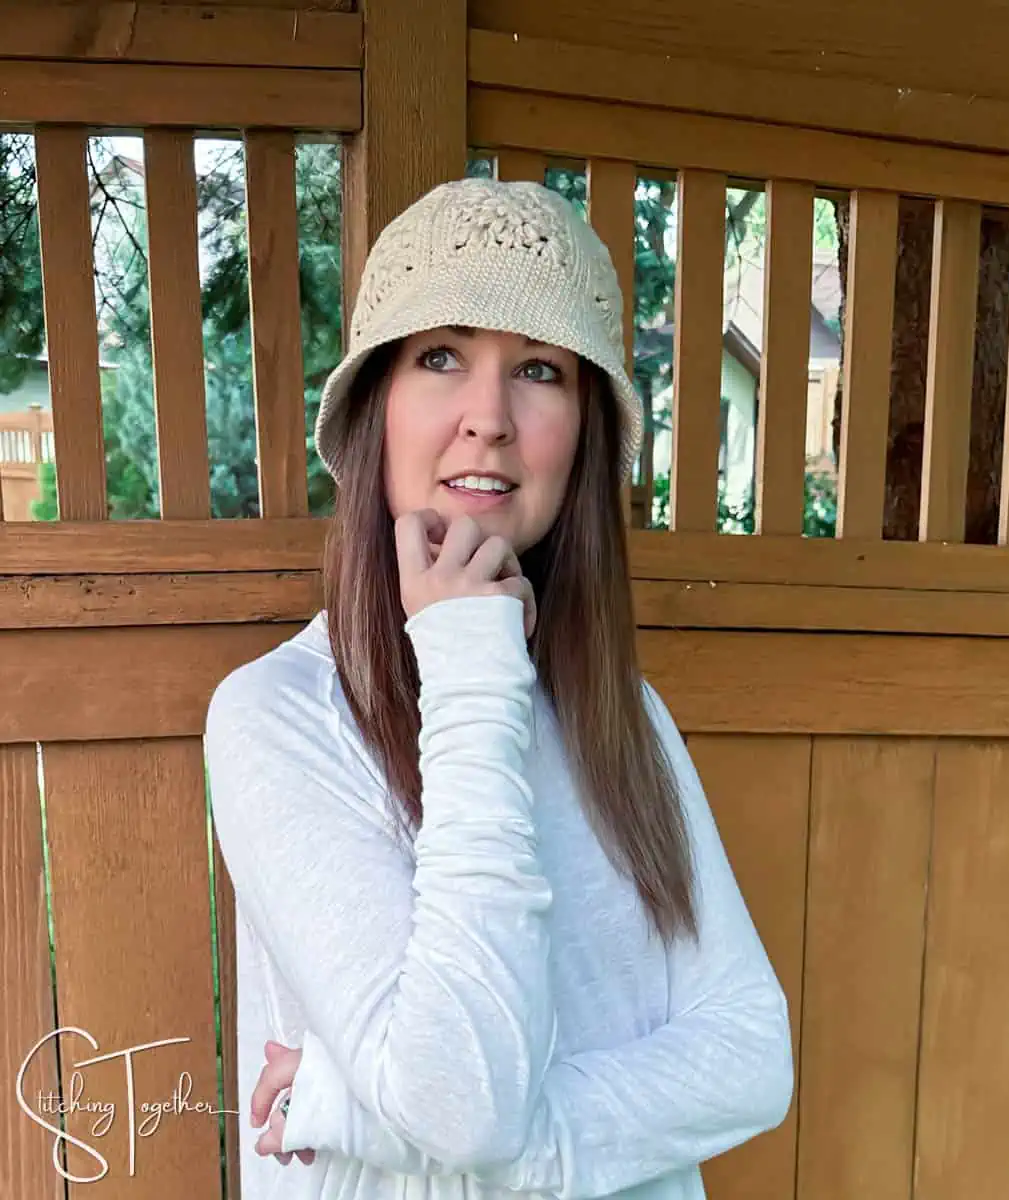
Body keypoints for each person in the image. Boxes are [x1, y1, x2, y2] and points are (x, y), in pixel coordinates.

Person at [205, 176, 794, 1200]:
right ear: (373, 410)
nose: (489, 419)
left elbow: (752, 1058)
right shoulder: (278, 718)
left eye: (538, 369)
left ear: (585, 431)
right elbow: (461, 1105)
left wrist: (353, 1109)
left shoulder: (621, 715)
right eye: (441, 358)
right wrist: (474, 665)